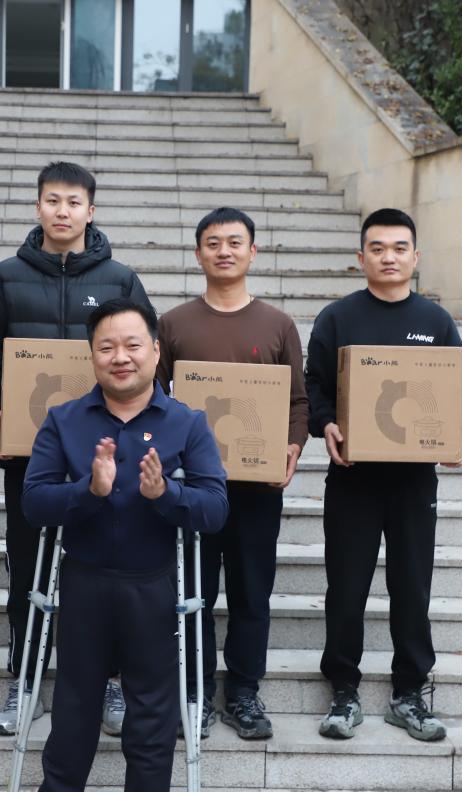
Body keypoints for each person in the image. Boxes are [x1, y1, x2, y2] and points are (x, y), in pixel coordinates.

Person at [22, 298, 228, 792]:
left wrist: (166, 495)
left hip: (153, 588)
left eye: (133, 345)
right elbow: (34, 502)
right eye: (107, 347)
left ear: (156, 351)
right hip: (85, 583)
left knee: (152, 723)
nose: (121, 357)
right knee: (73, 718)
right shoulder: (65, 420)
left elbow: (215, 508)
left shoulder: (187, 423)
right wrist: (88, 491)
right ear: (91, 355)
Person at [0, 161, 153, 736]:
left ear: (91, 211)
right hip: (34, 455)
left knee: (111, 570)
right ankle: (25, 682)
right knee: (28, 571)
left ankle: (112, 683)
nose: (62, 211)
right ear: (38, 206)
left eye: (73, 202)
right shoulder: (4, 278)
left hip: (108, 453)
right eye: (52, 200)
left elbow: (144, 355)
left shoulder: (120, 280)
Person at [304, 208, 462, 742]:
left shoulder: (436, 322)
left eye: (399, 248)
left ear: (415, 257)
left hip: (413, 482)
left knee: (411, 587)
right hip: (353, 478)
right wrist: (326, 424)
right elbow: (314, 390)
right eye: (377, 248)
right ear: (361, 258)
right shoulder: (337, 318)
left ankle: (409, 693)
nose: (388, 257)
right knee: (346, 587)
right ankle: (343, 691)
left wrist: (458, 434)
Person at [156, 207, 309, 740]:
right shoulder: (174, 324)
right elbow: (155, 399)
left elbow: (297, 401)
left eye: (235, 242)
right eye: (214, 242)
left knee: (251, 592)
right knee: (192, 592)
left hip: (256, 488)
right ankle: (194, 692)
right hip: (193, 488)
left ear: (253, 252)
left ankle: (243, 691)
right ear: (198, 253)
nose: (224, 251)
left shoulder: (278, 325)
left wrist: (291, 447)